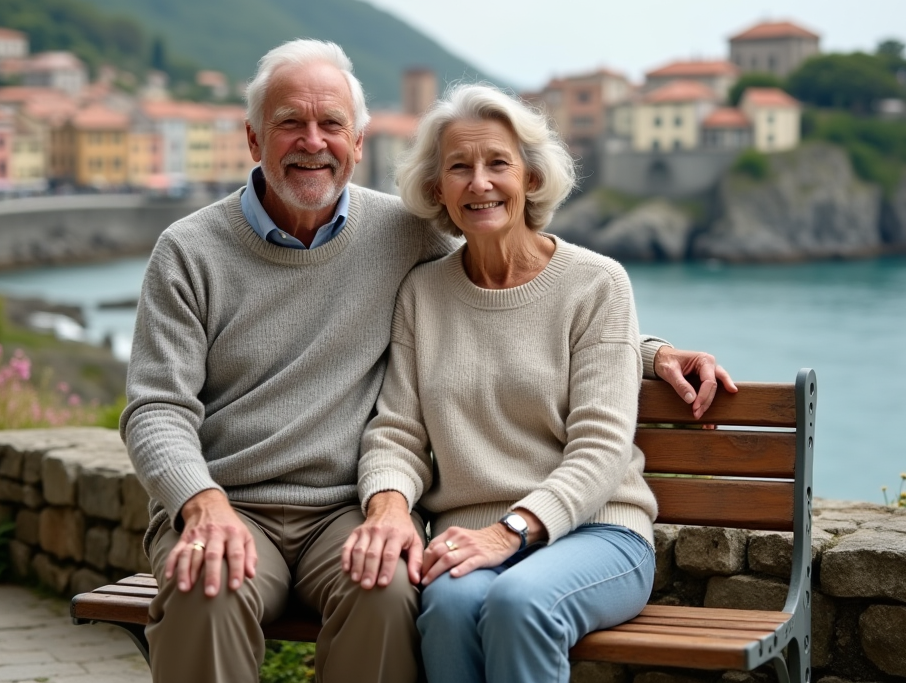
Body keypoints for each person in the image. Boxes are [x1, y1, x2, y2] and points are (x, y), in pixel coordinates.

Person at [121, 40, 733, 683]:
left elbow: (519, 288)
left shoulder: (402, 233)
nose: (312, 141)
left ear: (357, 143)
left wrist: (645, 352)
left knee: (387, 588)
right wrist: (201, 501)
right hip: (228, 503)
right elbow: (157, 407)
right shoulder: (188, 251)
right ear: (253, 139)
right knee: (206, 584)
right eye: (288, 124)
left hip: (347, 511)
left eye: (331, 124)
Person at [345, 83, 699, 683]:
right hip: (473, 539)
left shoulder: (596, 284)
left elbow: (602, 446)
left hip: (599, 531)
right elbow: (397, 432)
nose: (479, 182)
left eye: (498, 164)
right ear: (438, 191)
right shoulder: (422, 293)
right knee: (450, 604)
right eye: (459, 167)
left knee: (519, 602)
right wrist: (390, 506)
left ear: (531, 178)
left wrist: (511, 532)